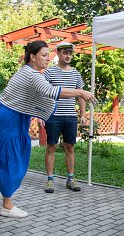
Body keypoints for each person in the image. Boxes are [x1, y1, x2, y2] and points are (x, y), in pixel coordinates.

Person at [0, 40, 96, 218]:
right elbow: (51, 92)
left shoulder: (27, 71)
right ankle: (7, 206)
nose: (48, 59)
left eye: (49, 55)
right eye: (44, 55)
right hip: (8, 118)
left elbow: (37, 94)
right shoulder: (33, 75)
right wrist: (80, 92)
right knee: (12, 159)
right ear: (33, 57)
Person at [43, 42, 86, 193]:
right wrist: (43, 114)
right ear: (58, 53)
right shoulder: (49, 73)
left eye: (70, 53)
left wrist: (83, 115)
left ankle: (70, 179)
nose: (68, 56)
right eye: (65, 53)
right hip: (53, 116)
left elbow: (81, 95)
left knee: (70, 147)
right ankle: (50, 180)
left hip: (70, 116)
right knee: (51, 147)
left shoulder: (76, 73)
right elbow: (44, 94)